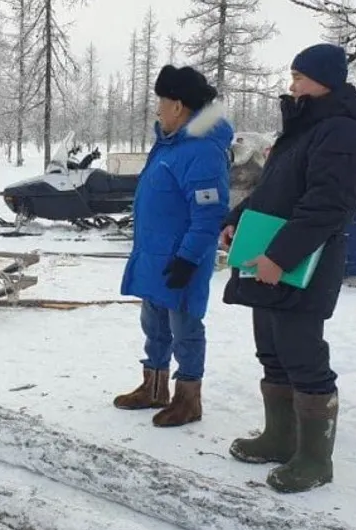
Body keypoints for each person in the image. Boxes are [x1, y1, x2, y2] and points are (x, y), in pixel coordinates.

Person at [221, 44, 356, 493]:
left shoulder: (342, 133)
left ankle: (313, 460)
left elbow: (328, 207)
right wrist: (236, 221)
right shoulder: (303, 128)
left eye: (300, 77)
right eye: (292, 76)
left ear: (327, 79)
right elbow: (273, 192)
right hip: (267, 261)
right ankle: (279, 437)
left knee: (303, 357)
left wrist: (280, 256)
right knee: (271, 350)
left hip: (303, 266)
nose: (292, 86)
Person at [115, 65, 232, 428]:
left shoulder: (201, 152)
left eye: (161, 103)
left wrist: (187, 258)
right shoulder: (170, 144)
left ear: (178, 106)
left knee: (185, 327)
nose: (158, 111)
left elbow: (209, 213)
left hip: (181, 258)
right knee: (154, 323)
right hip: (154, 255)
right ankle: (154, 387)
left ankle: (188, 398)